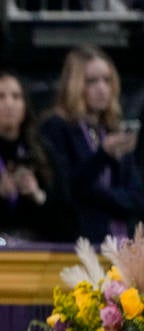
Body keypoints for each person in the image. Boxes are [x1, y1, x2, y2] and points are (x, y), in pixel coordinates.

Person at [0, 71, 77, 243]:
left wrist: (39, 196)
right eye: (0, 96)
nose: (9, 104)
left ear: (25, 106)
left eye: (16, 97)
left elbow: (68, 219)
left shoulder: (44, 151)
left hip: (34, 252)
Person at [40, 46, 144, 242]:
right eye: (91, 81)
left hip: (122, 243)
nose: (102, 88)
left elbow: (137, 198)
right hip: (79, 244)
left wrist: (100, 196)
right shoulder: (57, 127)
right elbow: (68, 190)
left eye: (107, 80)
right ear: (75, 84)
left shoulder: (112, 128)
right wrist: (102, 155)